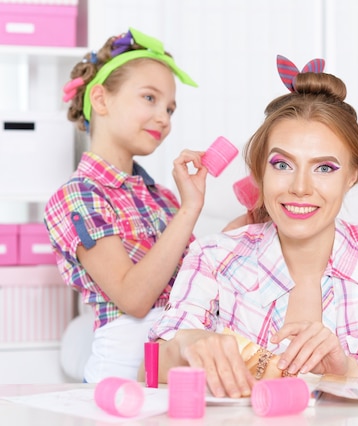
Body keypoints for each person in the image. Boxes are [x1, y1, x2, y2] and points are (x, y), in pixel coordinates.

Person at [143, 55, 358, 398]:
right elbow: (148, 367)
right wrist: (189, 342)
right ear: (261, 171)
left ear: (352, 176)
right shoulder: (212, 255)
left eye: (324, 168)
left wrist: (345, 371)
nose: (300, 187)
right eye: (282, 164)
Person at [44, 28, 206, 383]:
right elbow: (134, 297)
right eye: (150, 98)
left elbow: (199, 279)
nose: (164, 118)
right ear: (101, 100)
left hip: (173, 368)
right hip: (120, 380)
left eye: (170, 108)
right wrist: (189, 209)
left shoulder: (163, 197)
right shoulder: (78, 196)